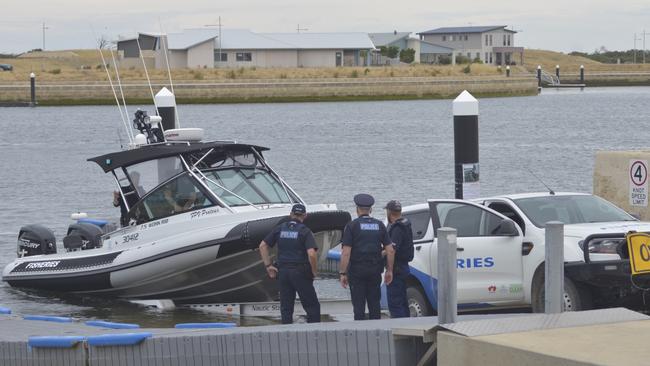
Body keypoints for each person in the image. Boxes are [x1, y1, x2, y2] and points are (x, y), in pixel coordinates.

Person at [259, 204, 321, 324]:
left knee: (286, 307)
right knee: (312, 306)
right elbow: (312, 254)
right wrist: (314, 271)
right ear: (305, 216)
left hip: (283, 272)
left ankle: (286, 336)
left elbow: (262, 246)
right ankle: (315, 334)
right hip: (300, 272)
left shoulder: (280, 228)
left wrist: (268, 266)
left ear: (291, 214)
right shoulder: (305, 231)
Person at [339, 193, 395, 320]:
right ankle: (376, 334)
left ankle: (360, 334)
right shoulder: (379, 225)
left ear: (357, 209)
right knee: (374, 304)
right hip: (375, 271)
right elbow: (390, 250)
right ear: (370, 209)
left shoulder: (351, 226)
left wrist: (343, 273)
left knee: (358, 306)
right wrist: (389, 270)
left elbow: (346, 252)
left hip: (357, 272)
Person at [384, 200, 414, 318]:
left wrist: (389, 270)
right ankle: (407, 328)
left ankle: (399, 330)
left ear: (389, 212)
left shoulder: (397, 228)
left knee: (395, 303)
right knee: (402, 301)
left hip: (397, 269)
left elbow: (392, 250)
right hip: (404, 267)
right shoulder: (406, 224)